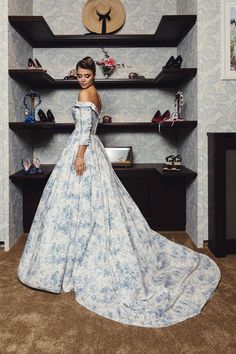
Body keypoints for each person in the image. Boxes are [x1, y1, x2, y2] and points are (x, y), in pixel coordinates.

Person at [17, 56, 221, 328]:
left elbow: (86, 131)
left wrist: (80, 157)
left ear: (93, 76)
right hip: (88, 149)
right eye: (79, 75)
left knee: (78, 206)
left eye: (87, 75)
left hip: (83, 151)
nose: (82, 79)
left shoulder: (85, 94)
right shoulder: (96, 95)